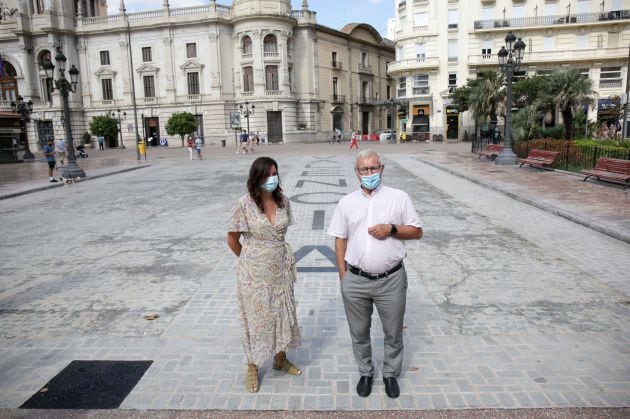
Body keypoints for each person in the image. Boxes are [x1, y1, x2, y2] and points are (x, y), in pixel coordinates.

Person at [327, 150, 423, 399]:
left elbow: (416, 231)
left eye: (373, 168)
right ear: (356, 172)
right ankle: (366, 372)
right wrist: (343, 276)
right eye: (363, 169)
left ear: (382, 168)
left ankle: (390, 373)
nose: (369, 173)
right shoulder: (346, 202)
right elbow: (340, 240)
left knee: (393, 332)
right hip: (356, 281)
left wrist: (391, 229)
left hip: (391, 279)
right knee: (359, 332)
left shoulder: (399, 198)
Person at [227, 156, 302, 393]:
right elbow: (232, 240)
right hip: (253, 273)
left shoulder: (283, 202)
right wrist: (251, 261)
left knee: (282, 313)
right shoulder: (244, 204)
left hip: (280, 268)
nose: (272, 178)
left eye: (275, 173)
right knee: (257, 320)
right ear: (257, 177)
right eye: (267, 174)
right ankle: (253, 366)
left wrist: (272, 259)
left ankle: (280, 358)